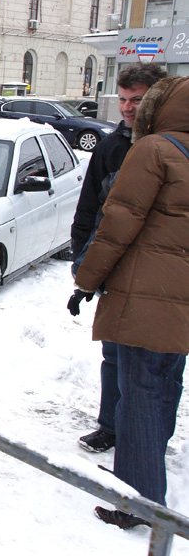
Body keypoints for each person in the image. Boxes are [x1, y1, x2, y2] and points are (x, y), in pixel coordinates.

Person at [72, 75, 189, 529]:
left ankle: (136, 502)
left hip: (145, 299)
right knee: (163, 390)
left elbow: (118, 222)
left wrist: (86, 279)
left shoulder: (154, 150)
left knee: (137, 396)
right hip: (179, 303)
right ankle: (149, 478)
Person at [69, 62, 166, 454]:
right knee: (113, 351)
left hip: (158, 273)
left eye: (137, 100)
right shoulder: (112, 145)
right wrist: (82, 259)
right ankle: (111, 425)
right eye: (123, 99)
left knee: (154, 364)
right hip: (115, 265)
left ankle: (151, 434)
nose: (127, 108)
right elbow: (90, 206)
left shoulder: (170, 147)